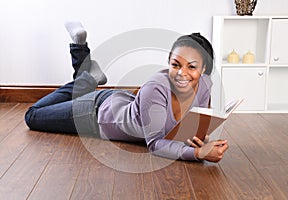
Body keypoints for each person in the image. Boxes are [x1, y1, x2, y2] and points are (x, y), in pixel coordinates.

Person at [25, 22, 228, 162]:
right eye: (176, 65)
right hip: (94, 114)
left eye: (191, 67)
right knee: (32, 116)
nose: (182, 73)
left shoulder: (205, 86)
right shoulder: (156, 87)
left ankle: (84, 65)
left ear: (203, 70)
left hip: (119, 102)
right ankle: (88, 79)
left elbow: (189, 126)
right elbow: (156, 144)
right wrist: (199, 153)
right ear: (168, 63)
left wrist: (200, 141)